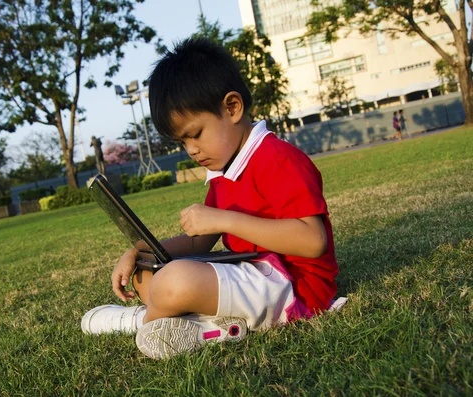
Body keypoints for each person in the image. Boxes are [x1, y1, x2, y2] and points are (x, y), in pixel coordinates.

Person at [82, 38, 342, 359]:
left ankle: (143, 321)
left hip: (295, 286)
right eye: (182, 141)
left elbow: (312, 241)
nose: (191, 149)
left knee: (174, 281)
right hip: (254, 272)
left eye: (196, 134)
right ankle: (206, 327)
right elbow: (198, 243)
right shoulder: (225, 169)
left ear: (232, 108)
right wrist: (138, 251)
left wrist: (224, 219)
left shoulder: (277, 159)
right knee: (148, 274)